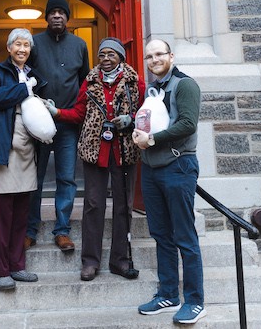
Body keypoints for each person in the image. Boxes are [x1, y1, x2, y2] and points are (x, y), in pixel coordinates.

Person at [45, 38, 145, 281]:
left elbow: (144, 112)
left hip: (124, 151)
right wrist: (57, 112)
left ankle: (120, 260)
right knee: (93, 205)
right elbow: (79, 113)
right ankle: (90, 262)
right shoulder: (89, 83)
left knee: (123, 206)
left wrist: (131, 119)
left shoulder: (135, 83)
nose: (106, 59)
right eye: (102, 55)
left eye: (112, 54)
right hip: (95, 151)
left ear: (121, 57)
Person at [132, 39, 206, 324]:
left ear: (171, 56)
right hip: (151, 169)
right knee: (161, 234)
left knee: (184, 236)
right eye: (149, 56)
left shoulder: (185, 85)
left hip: (178, 166)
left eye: (159, 54)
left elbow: (187, 124)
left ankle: (195, 301)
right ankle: (168, 294)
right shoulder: (153, 89)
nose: (153, 60)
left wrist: (151, 139)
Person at [0, 28, 44, 291]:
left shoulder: (34, 75)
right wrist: (21, 90)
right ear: (9, 48)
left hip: (27, 148)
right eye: (18, 44)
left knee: (21, 213)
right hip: (3, 149)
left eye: (27, 45)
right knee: (2, 214)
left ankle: (17, 266)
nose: (22, 49)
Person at [26, 0, 90, 252]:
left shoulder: (79, 45)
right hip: (38, 124)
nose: (56, 16)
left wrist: (76, 113)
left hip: (67, 124)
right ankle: (30, 229)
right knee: (35, 178)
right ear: (46, 17)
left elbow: (85, 82)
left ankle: (62, 230)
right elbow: (24, 78)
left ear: (67, 17)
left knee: (66, 178)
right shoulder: (34, 43)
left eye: (61, 13)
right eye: (52, 12)